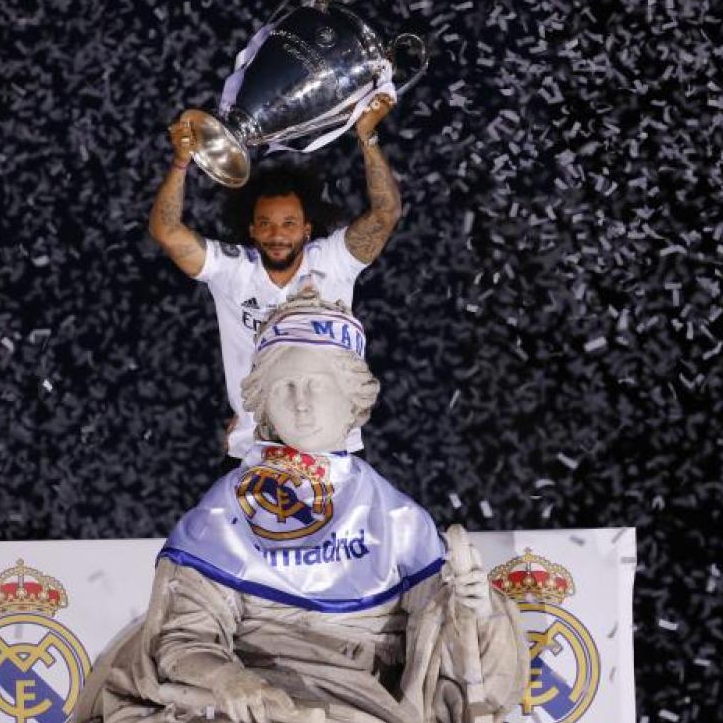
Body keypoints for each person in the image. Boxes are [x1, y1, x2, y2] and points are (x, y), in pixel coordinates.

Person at [77, 290, 529, 723]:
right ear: (265, 406)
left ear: (352, 399)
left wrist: (475, 609)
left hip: (354, 703)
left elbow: (448, 654)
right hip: (242, 702)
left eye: (316, 385)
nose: (301, 402)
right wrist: (229, 680)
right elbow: (183, 637)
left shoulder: (396, 519)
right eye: (285, 387)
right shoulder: (222, 514)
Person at [148, 96, 403, 467]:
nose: (276, 234)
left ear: (307, 229)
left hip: (333, 444)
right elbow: (166, 231)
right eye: (265, 224)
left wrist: (368, 137)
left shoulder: (333, 261)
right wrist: (181, 161)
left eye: (288, 224)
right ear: (251, 229)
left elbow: (386, 213)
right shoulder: (233, 271)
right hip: (253, 449)